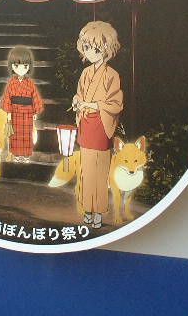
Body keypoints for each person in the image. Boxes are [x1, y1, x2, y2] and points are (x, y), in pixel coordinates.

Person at [72, 21, 123, 228]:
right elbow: (79, 94)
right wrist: (77, 101)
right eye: (87, 47)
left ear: (106, 48)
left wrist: (92, 104)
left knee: (100, 170)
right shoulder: (85, 73)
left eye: (96, 48)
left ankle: (99, 212)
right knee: (86, 170)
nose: (90, 52)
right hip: (86, 124)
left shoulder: (112, 75)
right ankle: (87, 208)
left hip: (101, 125)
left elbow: (116, 104)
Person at [0, 46, 43, 163]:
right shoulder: (11, 83)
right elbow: (7, 98)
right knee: (15, 135)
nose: (20, 69)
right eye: (16, 65)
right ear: (12, 66)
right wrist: (8, 112)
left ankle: (26, 155)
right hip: (15, 112)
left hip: (28, 113)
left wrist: (35, 112)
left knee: (26, 134)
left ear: (29, 67)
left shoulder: (30, 83)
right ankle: (16, 155)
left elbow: (35, 97)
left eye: (25, 66)